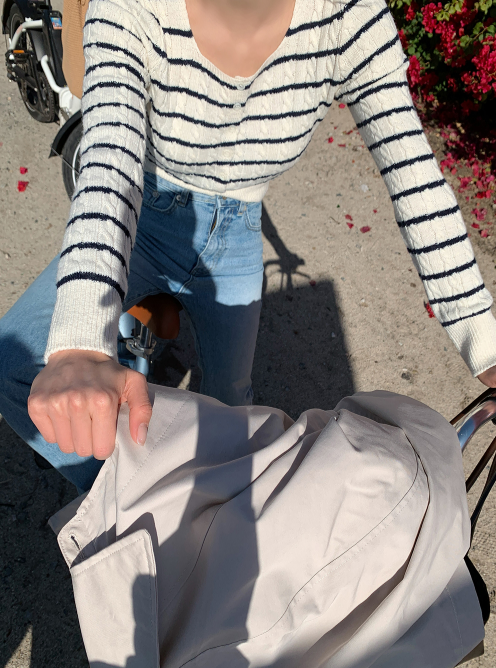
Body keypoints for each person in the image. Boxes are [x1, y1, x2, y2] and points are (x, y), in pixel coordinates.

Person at [1, 0, 495, 493]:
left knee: (232, 412)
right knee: (13, 364)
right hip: (147, 216)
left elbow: (413, 172)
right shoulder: (131, 6)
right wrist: (81, 344)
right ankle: (129, 499)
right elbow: (109, 162)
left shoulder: (348, 15)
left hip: (236, 237)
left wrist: (483, 339)